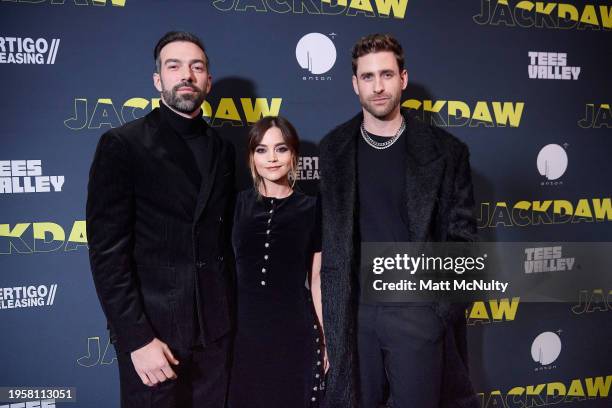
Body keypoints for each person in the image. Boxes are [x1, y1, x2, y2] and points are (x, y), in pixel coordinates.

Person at [318, 34, 479, 408]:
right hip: (354, 315)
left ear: (403, 79)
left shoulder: (446, 151)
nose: (378, 86)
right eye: (368, 76)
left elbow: (463, 240)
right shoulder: (333, 149)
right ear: (354, 83)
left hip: (417, 312)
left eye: (387, 75)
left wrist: (438, 311)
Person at [86, 31, 235, 408]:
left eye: (196, 67)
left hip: (215, 334)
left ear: (207, 81)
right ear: (158, 80)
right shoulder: (124, 145)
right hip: (154, 338)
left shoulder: (223, 149)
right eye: (174, 66)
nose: (186, 74)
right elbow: (107, 254)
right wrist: (136, 338)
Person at [228, 116, 326, 408]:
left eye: (280, 149)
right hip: (242, 333)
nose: (271, 158)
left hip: (294, 331)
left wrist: (326, 338)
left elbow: (318, 277)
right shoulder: (235, 205)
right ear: (251, 157)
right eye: (261, 149)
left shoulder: (313, 209)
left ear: (294, 154)